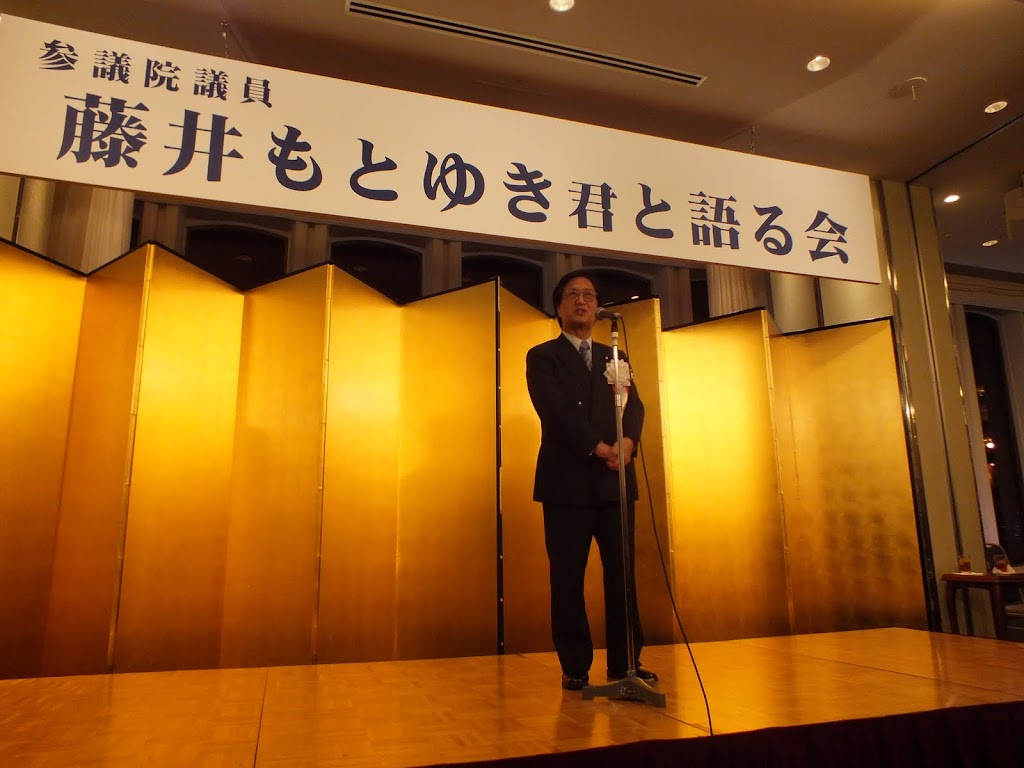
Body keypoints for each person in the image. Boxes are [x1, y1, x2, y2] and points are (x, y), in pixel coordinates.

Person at [525, 269, 656, 691]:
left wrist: (629, 442)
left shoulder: (614, 354)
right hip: (567, 484)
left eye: (589, 295)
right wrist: (599, 447)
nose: (582, 301)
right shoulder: (542, 356)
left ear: (598, 307)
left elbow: (634, 405)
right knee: (568, 577)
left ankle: (626, 662)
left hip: (615, 481)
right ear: (558, 307)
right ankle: (575, 665)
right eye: (572, 295)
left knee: (622, 576)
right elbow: (554, 411)